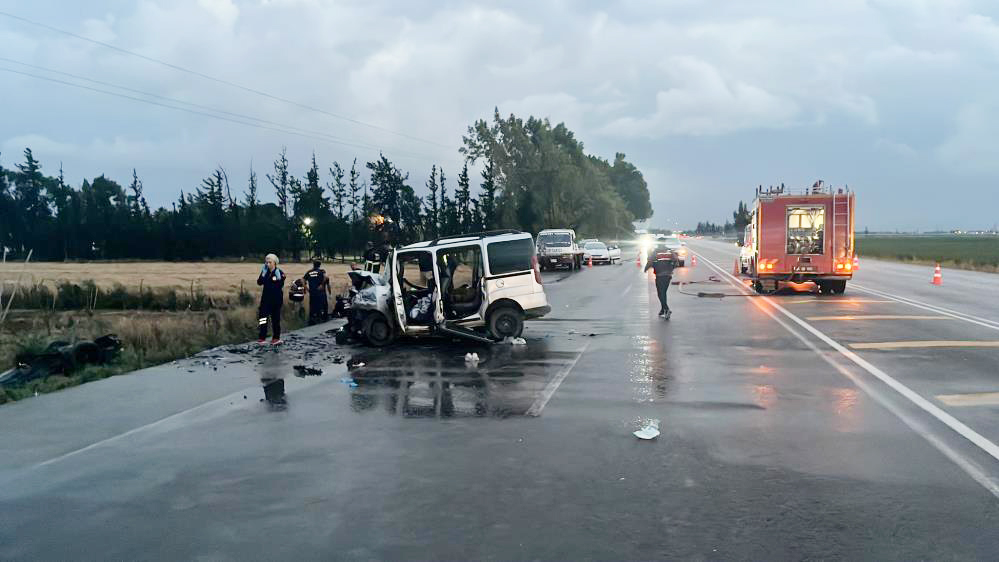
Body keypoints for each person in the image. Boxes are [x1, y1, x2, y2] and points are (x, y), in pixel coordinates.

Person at [644, 243, 679, 319]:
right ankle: (663, 310)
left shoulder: (656, 252)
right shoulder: (669, 252)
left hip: (660, 275)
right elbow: (676, 262)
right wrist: (671, 268)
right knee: (664, 293)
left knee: (660, 293)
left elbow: (650, 261)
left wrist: (645, 269)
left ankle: (666, 309)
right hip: (668, 276)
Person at [257, 253, 285, 344]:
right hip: (265, 299)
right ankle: (262, 337)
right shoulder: (265, 272)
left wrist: (279, 278)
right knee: (263, 318)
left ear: (275, 263)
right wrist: (263, 275)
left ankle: (276, 338)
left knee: (275, 319)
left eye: (270, 262)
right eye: (266, 262)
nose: (267, 264)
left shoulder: (279, 272)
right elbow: (259, 282)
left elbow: (280, 284)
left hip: (276, 300)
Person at [303, 257, 331, 325]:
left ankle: (312, 320)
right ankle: (323, 318)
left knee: (312, 306)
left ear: (313, 264)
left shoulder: (309, 272)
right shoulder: (320, 272)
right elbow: (326, 277)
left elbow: (302, 280)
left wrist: (306, 288)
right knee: (323, 305)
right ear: (319, 265)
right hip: (321, 293)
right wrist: (321, 285)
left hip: (312, 292)